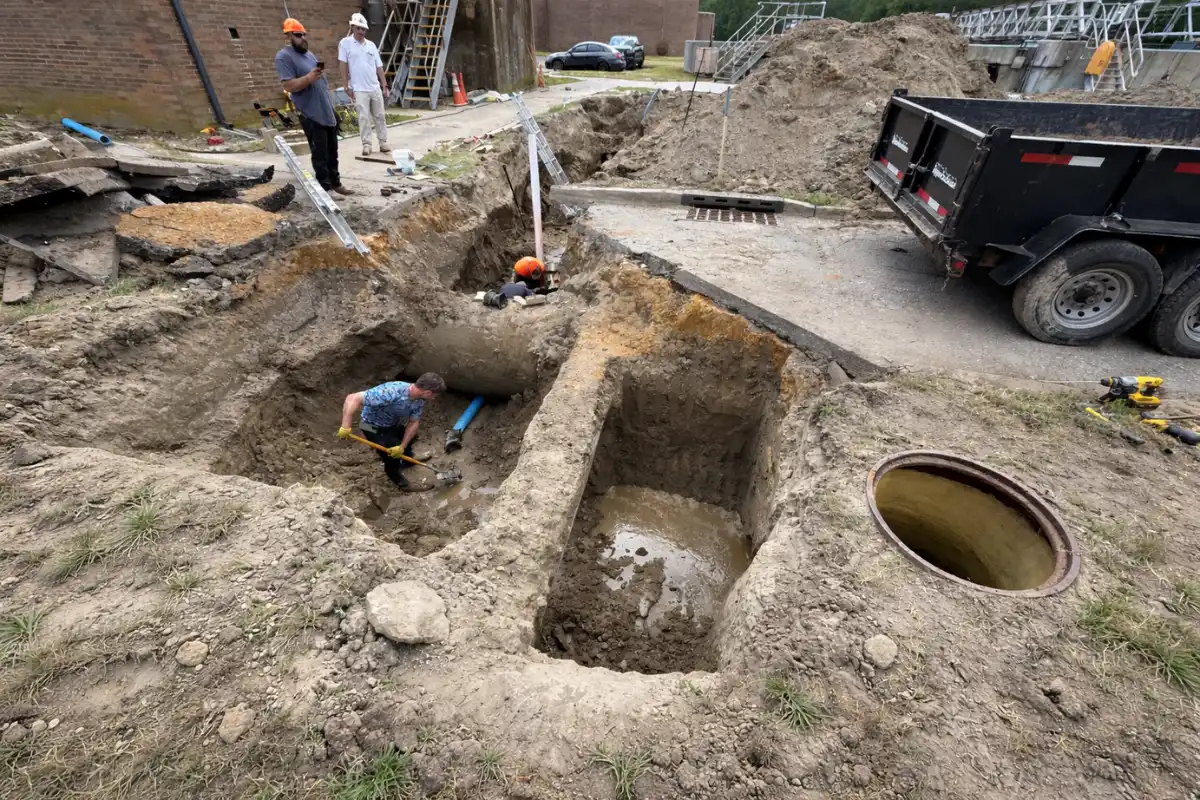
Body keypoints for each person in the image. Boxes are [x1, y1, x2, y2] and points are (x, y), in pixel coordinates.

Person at [275, 18, 354, 196]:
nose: (302, 38)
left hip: (325, 109)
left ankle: (336, 183)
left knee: (332, 151)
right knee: (320, 154)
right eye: (297, 35)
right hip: (310, 113)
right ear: (287, 36)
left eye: (303, 35)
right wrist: (309, 78)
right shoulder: (284, 57)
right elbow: (288, 86)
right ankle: (325, 188)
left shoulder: (309, 55)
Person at [338, 373, 446, 490]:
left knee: (408, 438)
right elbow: (353, 398)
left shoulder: (418, 399)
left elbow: (413, 423)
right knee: (390, 456)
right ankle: (401, 483)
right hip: (370, 426)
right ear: (428, 392)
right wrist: (346, 425)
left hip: (391, 423)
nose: (434, 398)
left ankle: (408, 460)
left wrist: (402, 446)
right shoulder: (391, 392)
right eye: (434, 395)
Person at [338, 13, 391, 158]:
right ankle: (366, 144)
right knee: (364, 117)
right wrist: (346, 85)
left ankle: (382, 142)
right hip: (359, 88)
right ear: (352, 27)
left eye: (364, 29)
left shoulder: (371, 45)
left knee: (380, 115)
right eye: (358, 29)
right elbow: (343, 66)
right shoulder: (345, 44)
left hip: (374, 86)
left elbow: (379, 67)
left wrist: (384, 84)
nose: (361, 32)